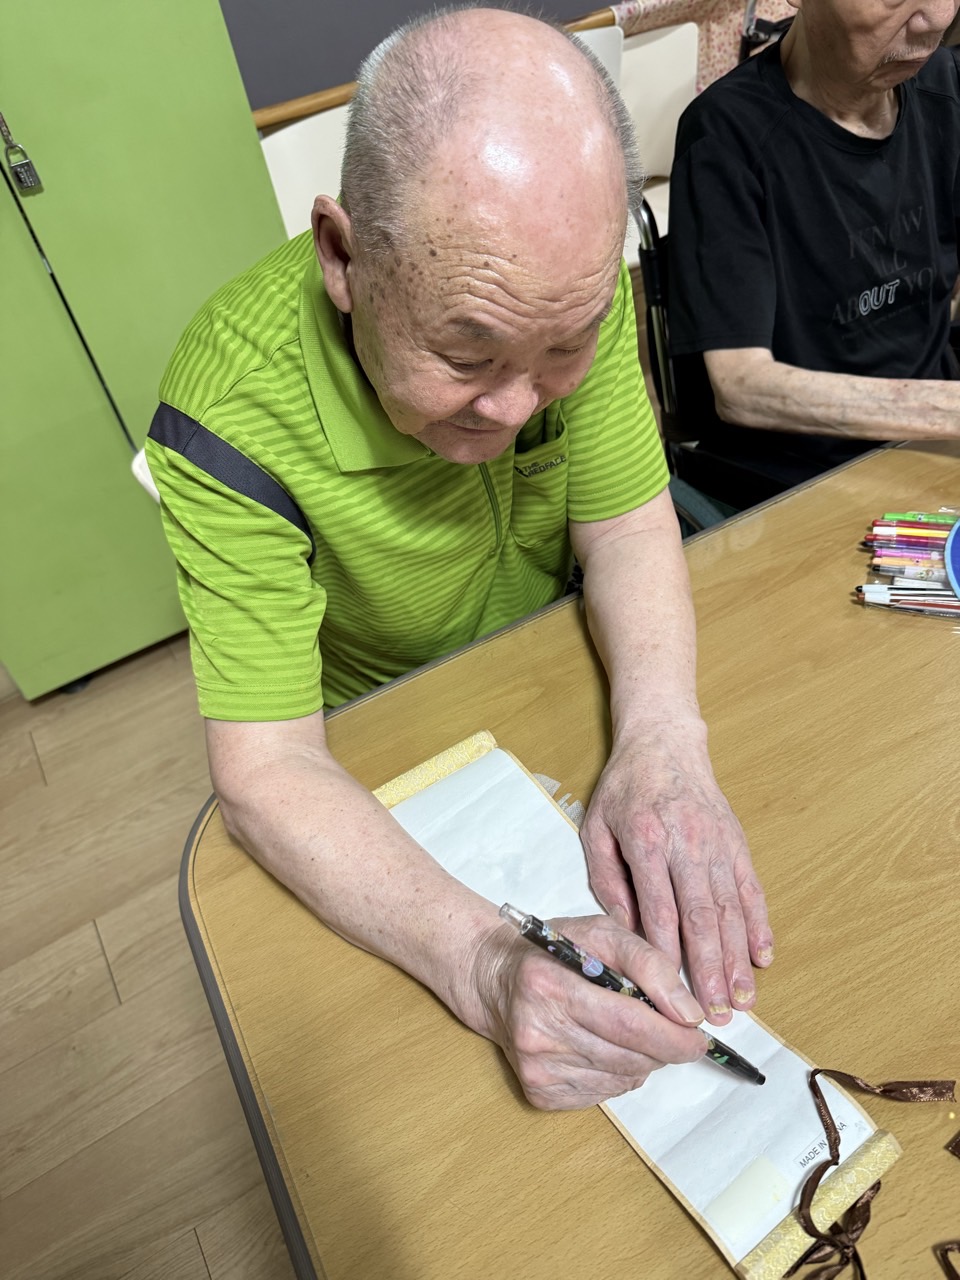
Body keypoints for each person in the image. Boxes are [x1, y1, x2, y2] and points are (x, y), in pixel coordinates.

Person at [147, 6, 773, 1111]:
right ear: (343, 256)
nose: (519, 404)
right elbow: (266, 769)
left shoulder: (563, 289)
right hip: (383, 751)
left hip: (557, 672)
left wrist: (664, 742)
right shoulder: (226, 415)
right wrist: (484, 964)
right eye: (465, 354)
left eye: (563, 350)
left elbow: (628, 527)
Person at [668, 0, 960, 509]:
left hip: (927, 443)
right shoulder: (728, 135)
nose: (935, 18)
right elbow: (741, 385)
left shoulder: (946, 88)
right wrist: (945, 409)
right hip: (798, 477)